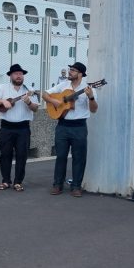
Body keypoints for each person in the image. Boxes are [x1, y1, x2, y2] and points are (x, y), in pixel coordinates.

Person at [43, 62, 98, 197]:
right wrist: (54, 101)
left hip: (79, 126)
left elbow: (94, 109)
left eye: (73, 70)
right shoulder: (63, 86)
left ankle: (76, 186)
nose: (70, 72)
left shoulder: (89, 89)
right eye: (70, 69)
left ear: (80, 74)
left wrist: (90, 97)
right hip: (62, 125)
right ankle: (57, 185)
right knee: (60, 156)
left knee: (79, 157)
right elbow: (44, 94)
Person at [0, 64, 38, 191]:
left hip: (23, 128)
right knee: (5, 154)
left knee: (22, 155)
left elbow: (36, 108)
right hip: (6, 127)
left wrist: (29, 102)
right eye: (16, 73)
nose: (19, 76)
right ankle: (5, 181)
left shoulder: (29, 90)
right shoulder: (2, 88)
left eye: (21, 74)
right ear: (10, 75)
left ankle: (18, 182)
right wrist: (2, 102)